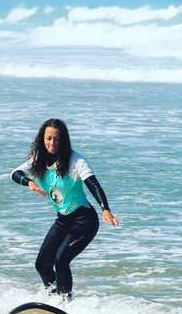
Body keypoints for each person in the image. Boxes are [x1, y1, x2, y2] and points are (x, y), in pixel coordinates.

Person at [11, 118, 118, 301]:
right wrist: (28, 182)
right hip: (63, 220)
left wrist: (105, 209)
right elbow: (14, 174)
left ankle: (66, 304)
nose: (52, 143)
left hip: (84, 221)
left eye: (57, 139)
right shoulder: (39, 159)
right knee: (42, 264)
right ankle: (54, 302)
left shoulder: (76, 160)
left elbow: (93, 184)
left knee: (61, 260)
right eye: (48, 138)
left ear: (64, 140)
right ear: (42, 139)